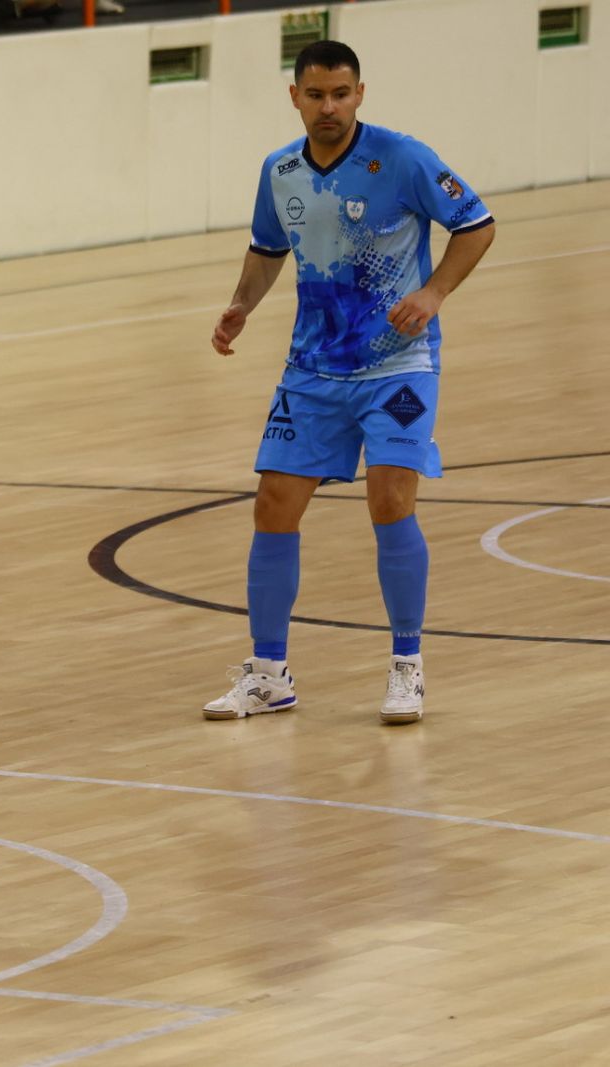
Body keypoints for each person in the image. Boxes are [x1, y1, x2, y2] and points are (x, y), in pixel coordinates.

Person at [201, 40, 495, 726]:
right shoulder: (279, 171)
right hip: (311, 370)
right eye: (315, 94)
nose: (328, 106)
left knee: (390, 496)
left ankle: (407, 669)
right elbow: (268, 249)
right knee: (273, 502)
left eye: (340, 93)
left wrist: (434, 293)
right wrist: (242, 304)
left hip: (398, 364)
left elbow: (476, 225)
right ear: (295, 96)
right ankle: (269, 675)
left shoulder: (403, 158)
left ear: (360, 93)